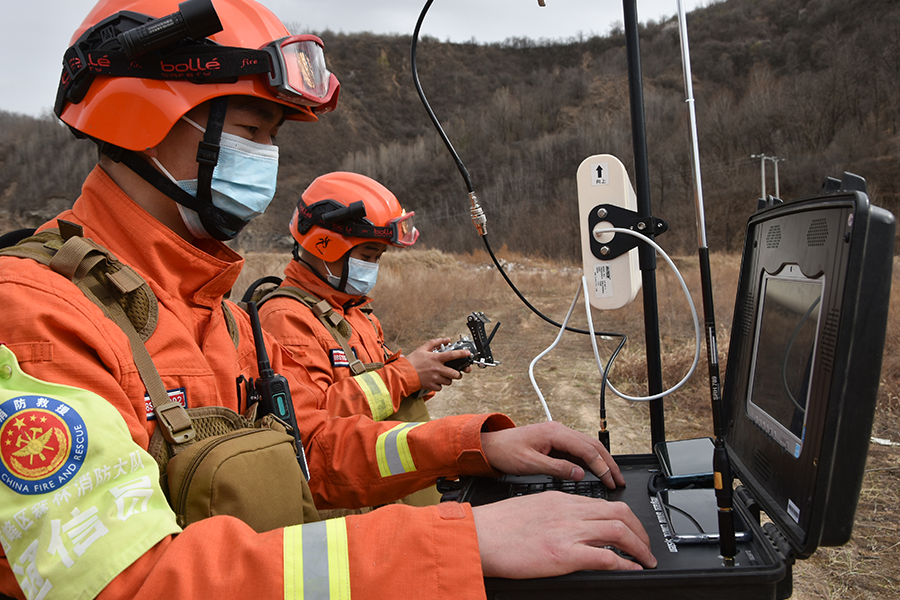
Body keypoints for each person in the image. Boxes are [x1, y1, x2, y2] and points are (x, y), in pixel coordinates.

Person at [0, 1, 656, 599]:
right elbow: (128, 582)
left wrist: (472, 445)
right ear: (142, 114)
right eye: (252, 129)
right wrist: (457, 544)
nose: (266, 159)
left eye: (273, 138)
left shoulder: (219, 314)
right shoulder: (34, 314)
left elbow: (309, 457)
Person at [257, 171, 469, 425]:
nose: (372, 266)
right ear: (325, 246)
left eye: (378, 257)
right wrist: (407, 376)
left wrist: (427, 371)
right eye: (367, 256)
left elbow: (379, 390)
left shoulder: (357, 313)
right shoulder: (285, 319)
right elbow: (311, 418)